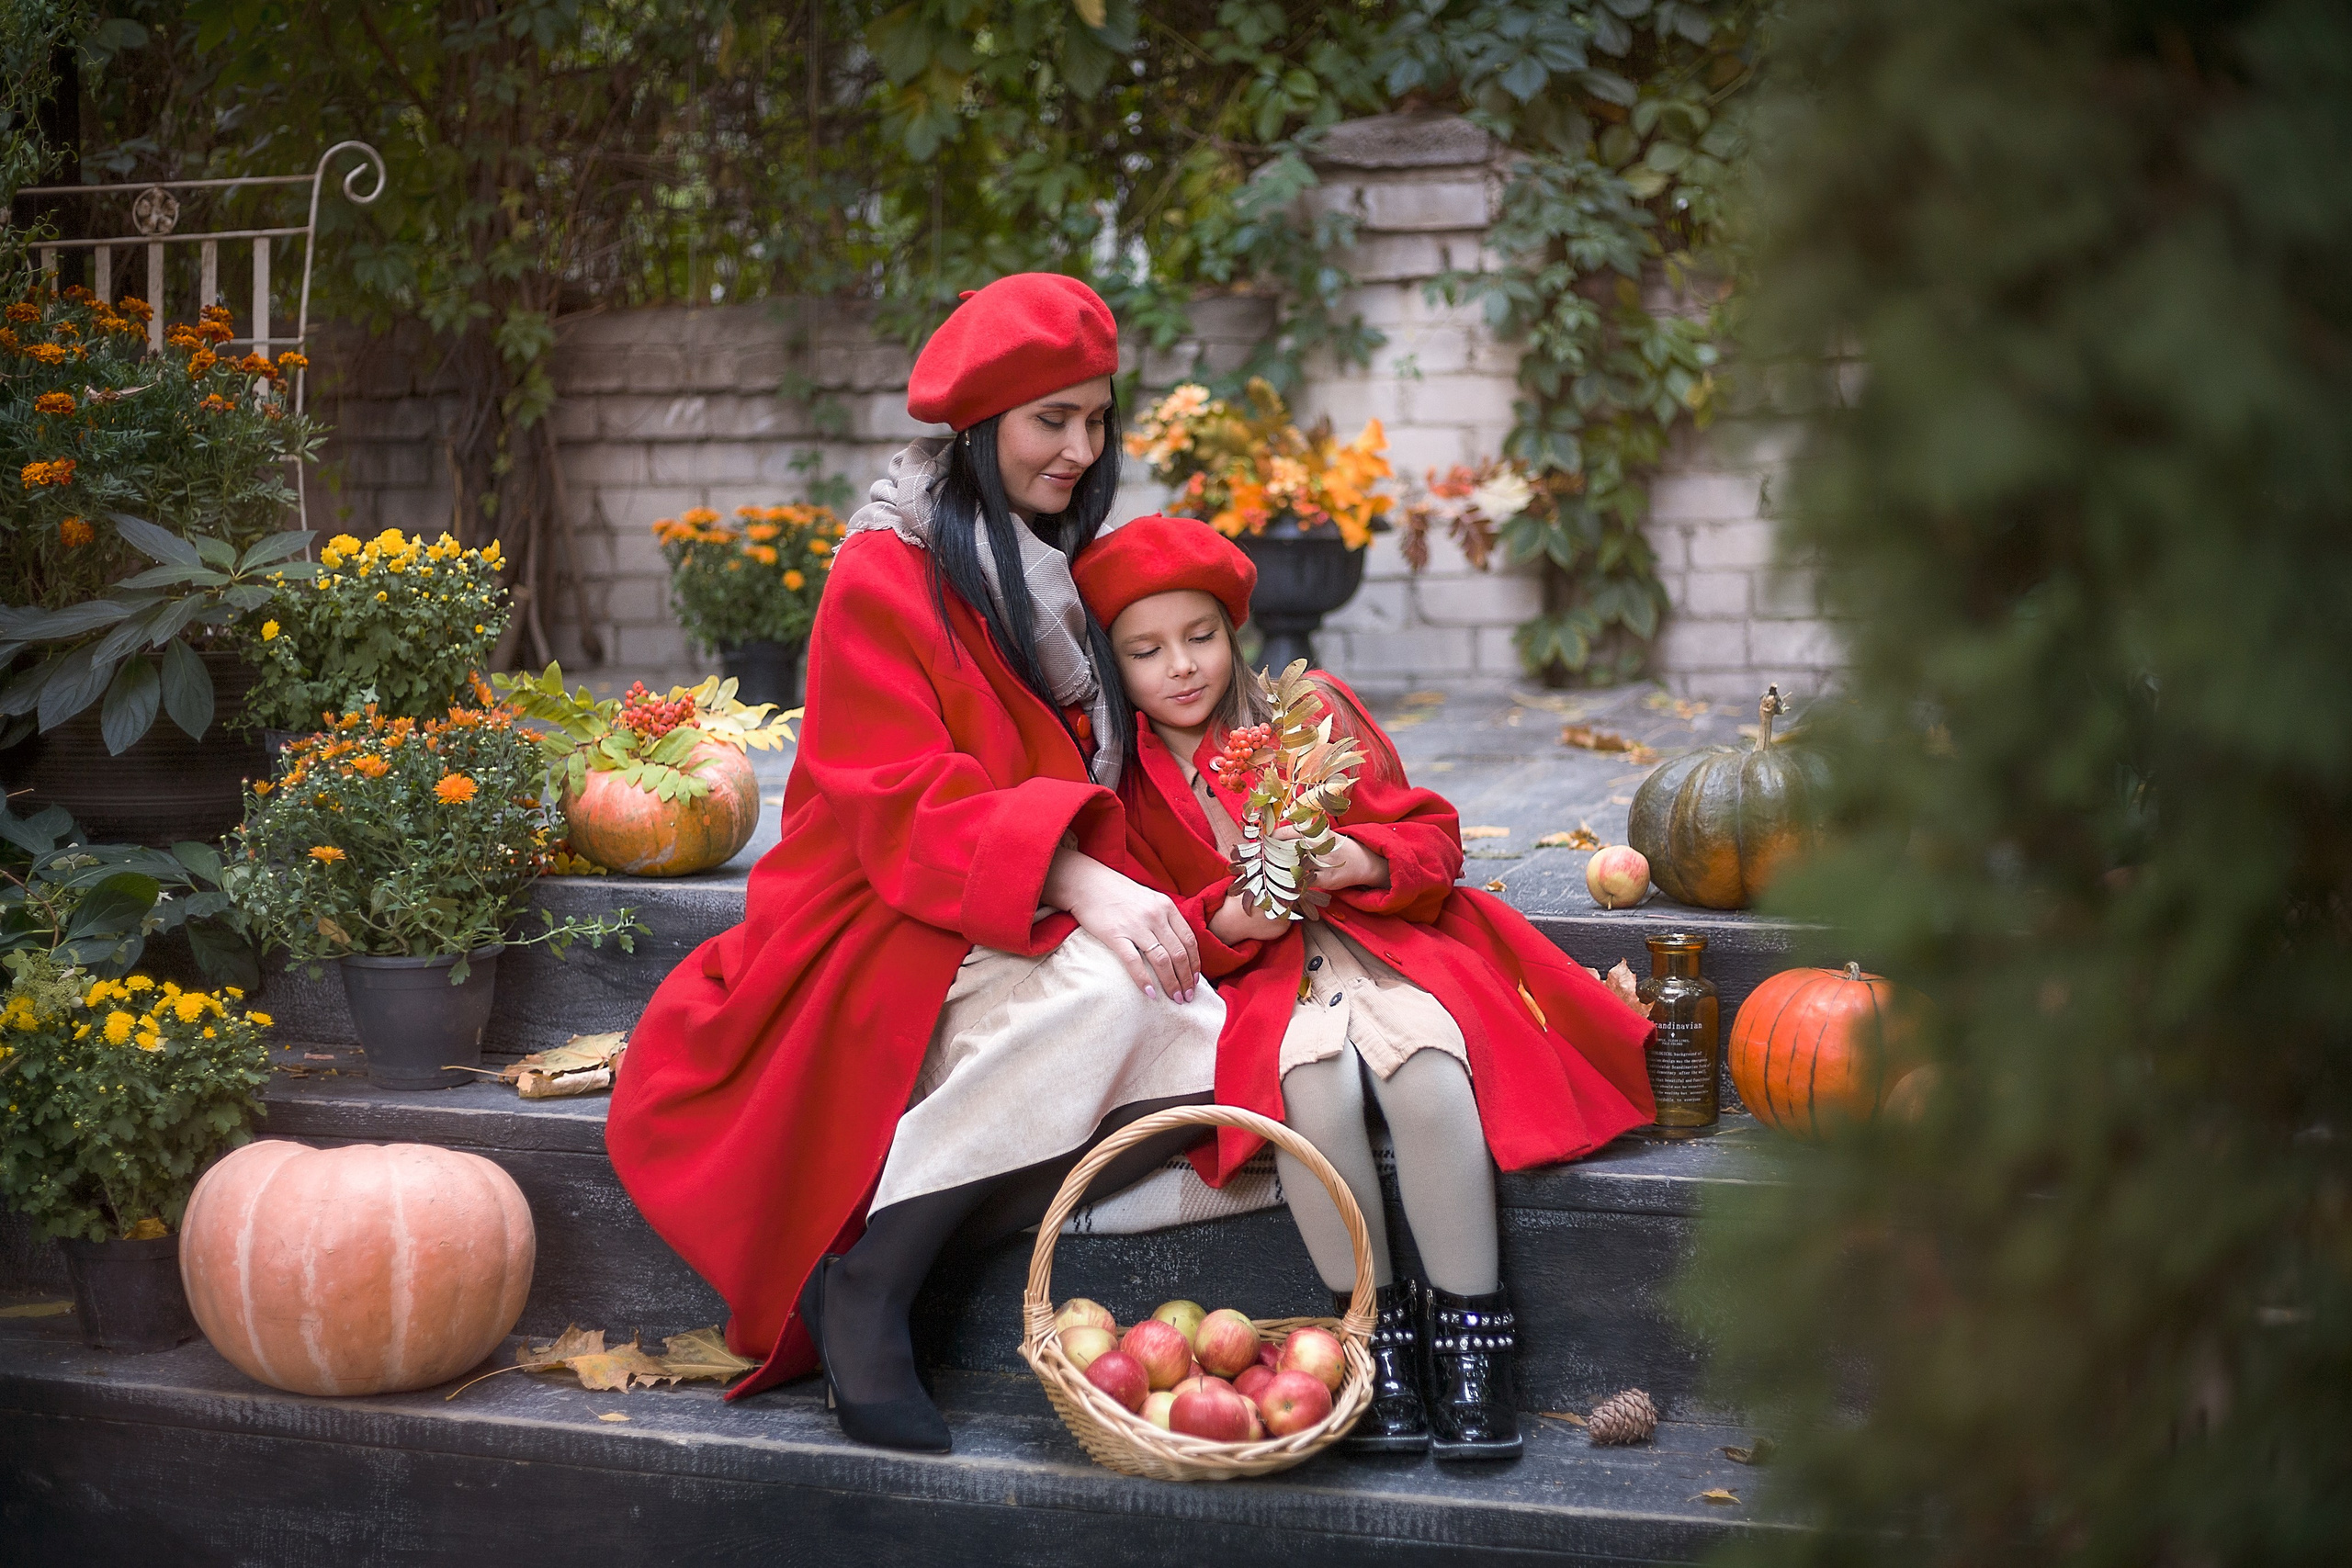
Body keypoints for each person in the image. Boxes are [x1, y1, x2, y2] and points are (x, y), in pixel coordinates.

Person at [606, 278, 1233, 1456]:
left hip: (1005, 902)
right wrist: (1079, 878)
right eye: (1051, 420)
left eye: (1097, 420)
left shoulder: (1055, 566)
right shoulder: (883, 571)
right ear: (982, 423)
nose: (1080, 448)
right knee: (1116, 997)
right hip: (885, 908)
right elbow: (896, 794)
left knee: (1213, 1046)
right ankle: (874, 1289)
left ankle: (900, 1241)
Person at [1075, 514, 1658, 1461]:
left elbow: (1432, 838)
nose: (1180, 667)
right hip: (1272, 982)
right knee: (1310, 1086)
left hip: (1389, 949)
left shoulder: (1308, 716)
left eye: (1201, 636)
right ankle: (1370, 1333)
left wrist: (1356, 857)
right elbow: (1152, 922)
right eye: (1145, 651)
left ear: (1232, 633)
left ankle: (1473, 1336)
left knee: (1426, 1069)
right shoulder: (1124, 786)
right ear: (1114, 664)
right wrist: (1228, 921)